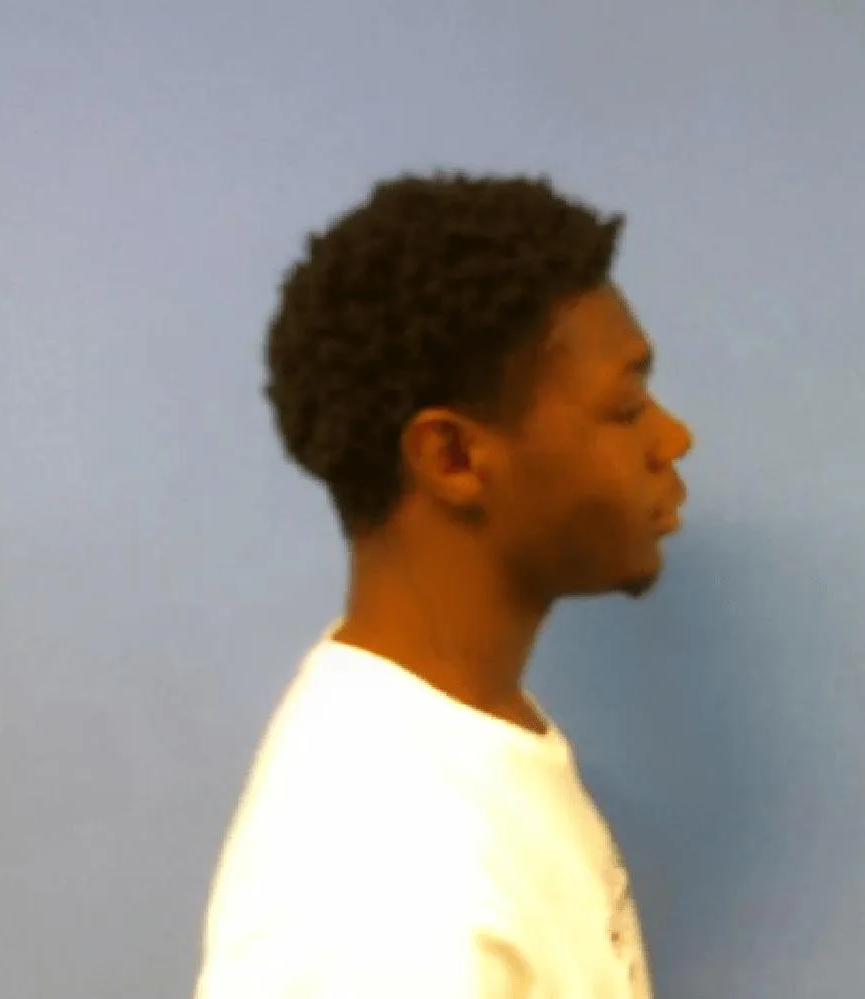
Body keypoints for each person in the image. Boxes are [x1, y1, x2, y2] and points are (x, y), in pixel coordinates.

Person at [194, 172, 693, 998]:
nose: (672, 438)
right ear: (453, 457)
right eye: (626, 406)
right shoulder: (385, 891)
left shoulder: (470, 740)